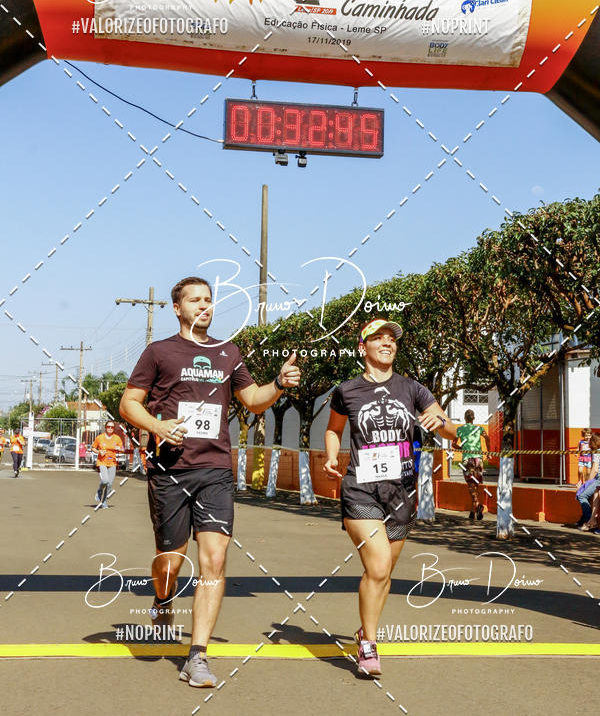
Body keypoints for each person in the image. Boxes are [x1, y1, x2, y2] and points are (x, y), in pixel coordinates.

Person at [119, 276, 300, 689]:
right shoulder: (158, 352)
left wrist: (278, 383)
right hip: (171, 470)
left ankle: (197, 655)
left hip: (216, 468)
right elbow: (129, 402)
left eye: (209, 299)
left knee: (214, 560)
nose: (204, 305)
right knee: (170, 560)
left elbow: (252, 399)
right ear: (178, 309)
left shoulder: (227, 352)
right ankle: (163, 599)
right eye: (194, 300)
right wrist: (157, 426)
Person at [324, 319, 458, 677]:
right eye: (378, 339)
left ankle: (363, 631)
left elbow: (451, 431)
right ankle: (369, 644)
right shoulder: (346, 391)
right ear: (362, 347)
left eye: (391, 339)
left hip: (401, 492)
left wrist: (439, 421)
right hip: (360, 487)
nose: (387, 344)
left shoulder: (414, 389)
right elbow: (334, 429)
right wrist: (331, 456)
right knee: (379, 564)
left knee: (382, 574)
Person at [454, 409, 491, 521]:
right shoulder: (479, 428)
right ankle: (473, 510)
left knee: (471, 486)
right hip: (478, 460)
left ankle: (478, 505)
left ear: (465, 418)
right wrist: (488, 452)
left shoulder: (459, 429)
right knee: (476, 485)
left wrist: (462, 448)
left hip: (468, 460)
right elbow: (487, 438)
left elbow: (454, 444)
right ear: (473, 418)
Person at [92, 421, 124, 508]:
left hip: (112, 463)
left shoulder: (117, 438)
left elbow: (122, 449)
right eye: (108, 426)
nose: (110, 428)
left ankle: (104, 501)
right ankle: (99, 491)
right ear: (105, 427)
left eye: (112, 427)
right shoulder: (100, 438)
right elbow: (93, 448)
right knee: (105, 481)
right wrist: (99, 451)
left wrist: (119, 449)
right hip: (102, 462)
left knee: (109, 484)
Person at [576, 432, 600, 528]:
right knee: (593, 495)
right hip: (597, 480)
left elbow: (594, 469)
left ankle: (589, 519)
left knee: (581, 495)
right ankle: (590, 519)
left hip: (598, 479)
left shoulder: (597, 452)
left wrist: (586, 484)